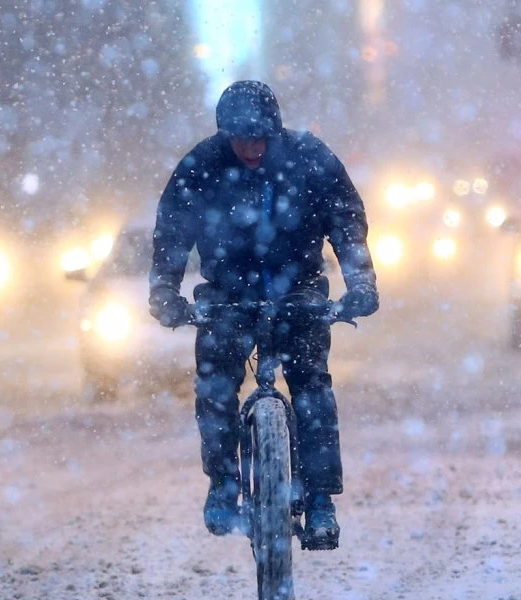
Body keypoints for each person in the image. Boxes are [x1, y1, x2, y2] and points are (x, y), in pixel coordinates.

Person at [148, 81, 378, 549]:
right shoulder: (202, 166)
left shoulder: (309, 159)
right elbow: (172, 231)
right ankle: (223, 483)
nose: (252, 149)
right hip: (227, 295)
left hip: (299, 290)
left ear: (275, 132)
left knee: (312, 386)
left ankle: (320, 500)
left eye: (260, 139)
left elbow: (346, 220)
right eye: (241, 139)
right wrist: (165, 291)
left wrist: (361, 283)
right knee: (215, 386)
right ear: (224, 135)